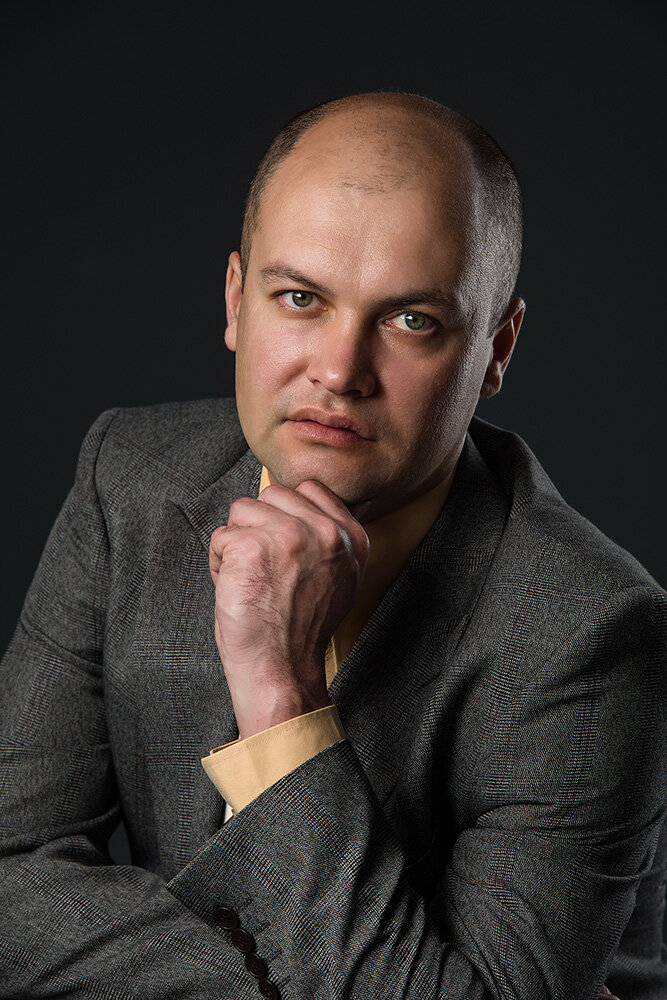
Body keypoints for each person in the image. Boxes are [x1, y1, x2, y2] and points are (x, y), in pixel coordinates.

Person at [0, 92, 664, 1000]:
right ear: (235, 301)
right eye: (300, 299)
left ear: (496, 348)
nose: (339, 371)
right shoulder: (130, 479)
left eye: (411, 320)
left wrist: (282, 699)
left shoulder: (589, 630)